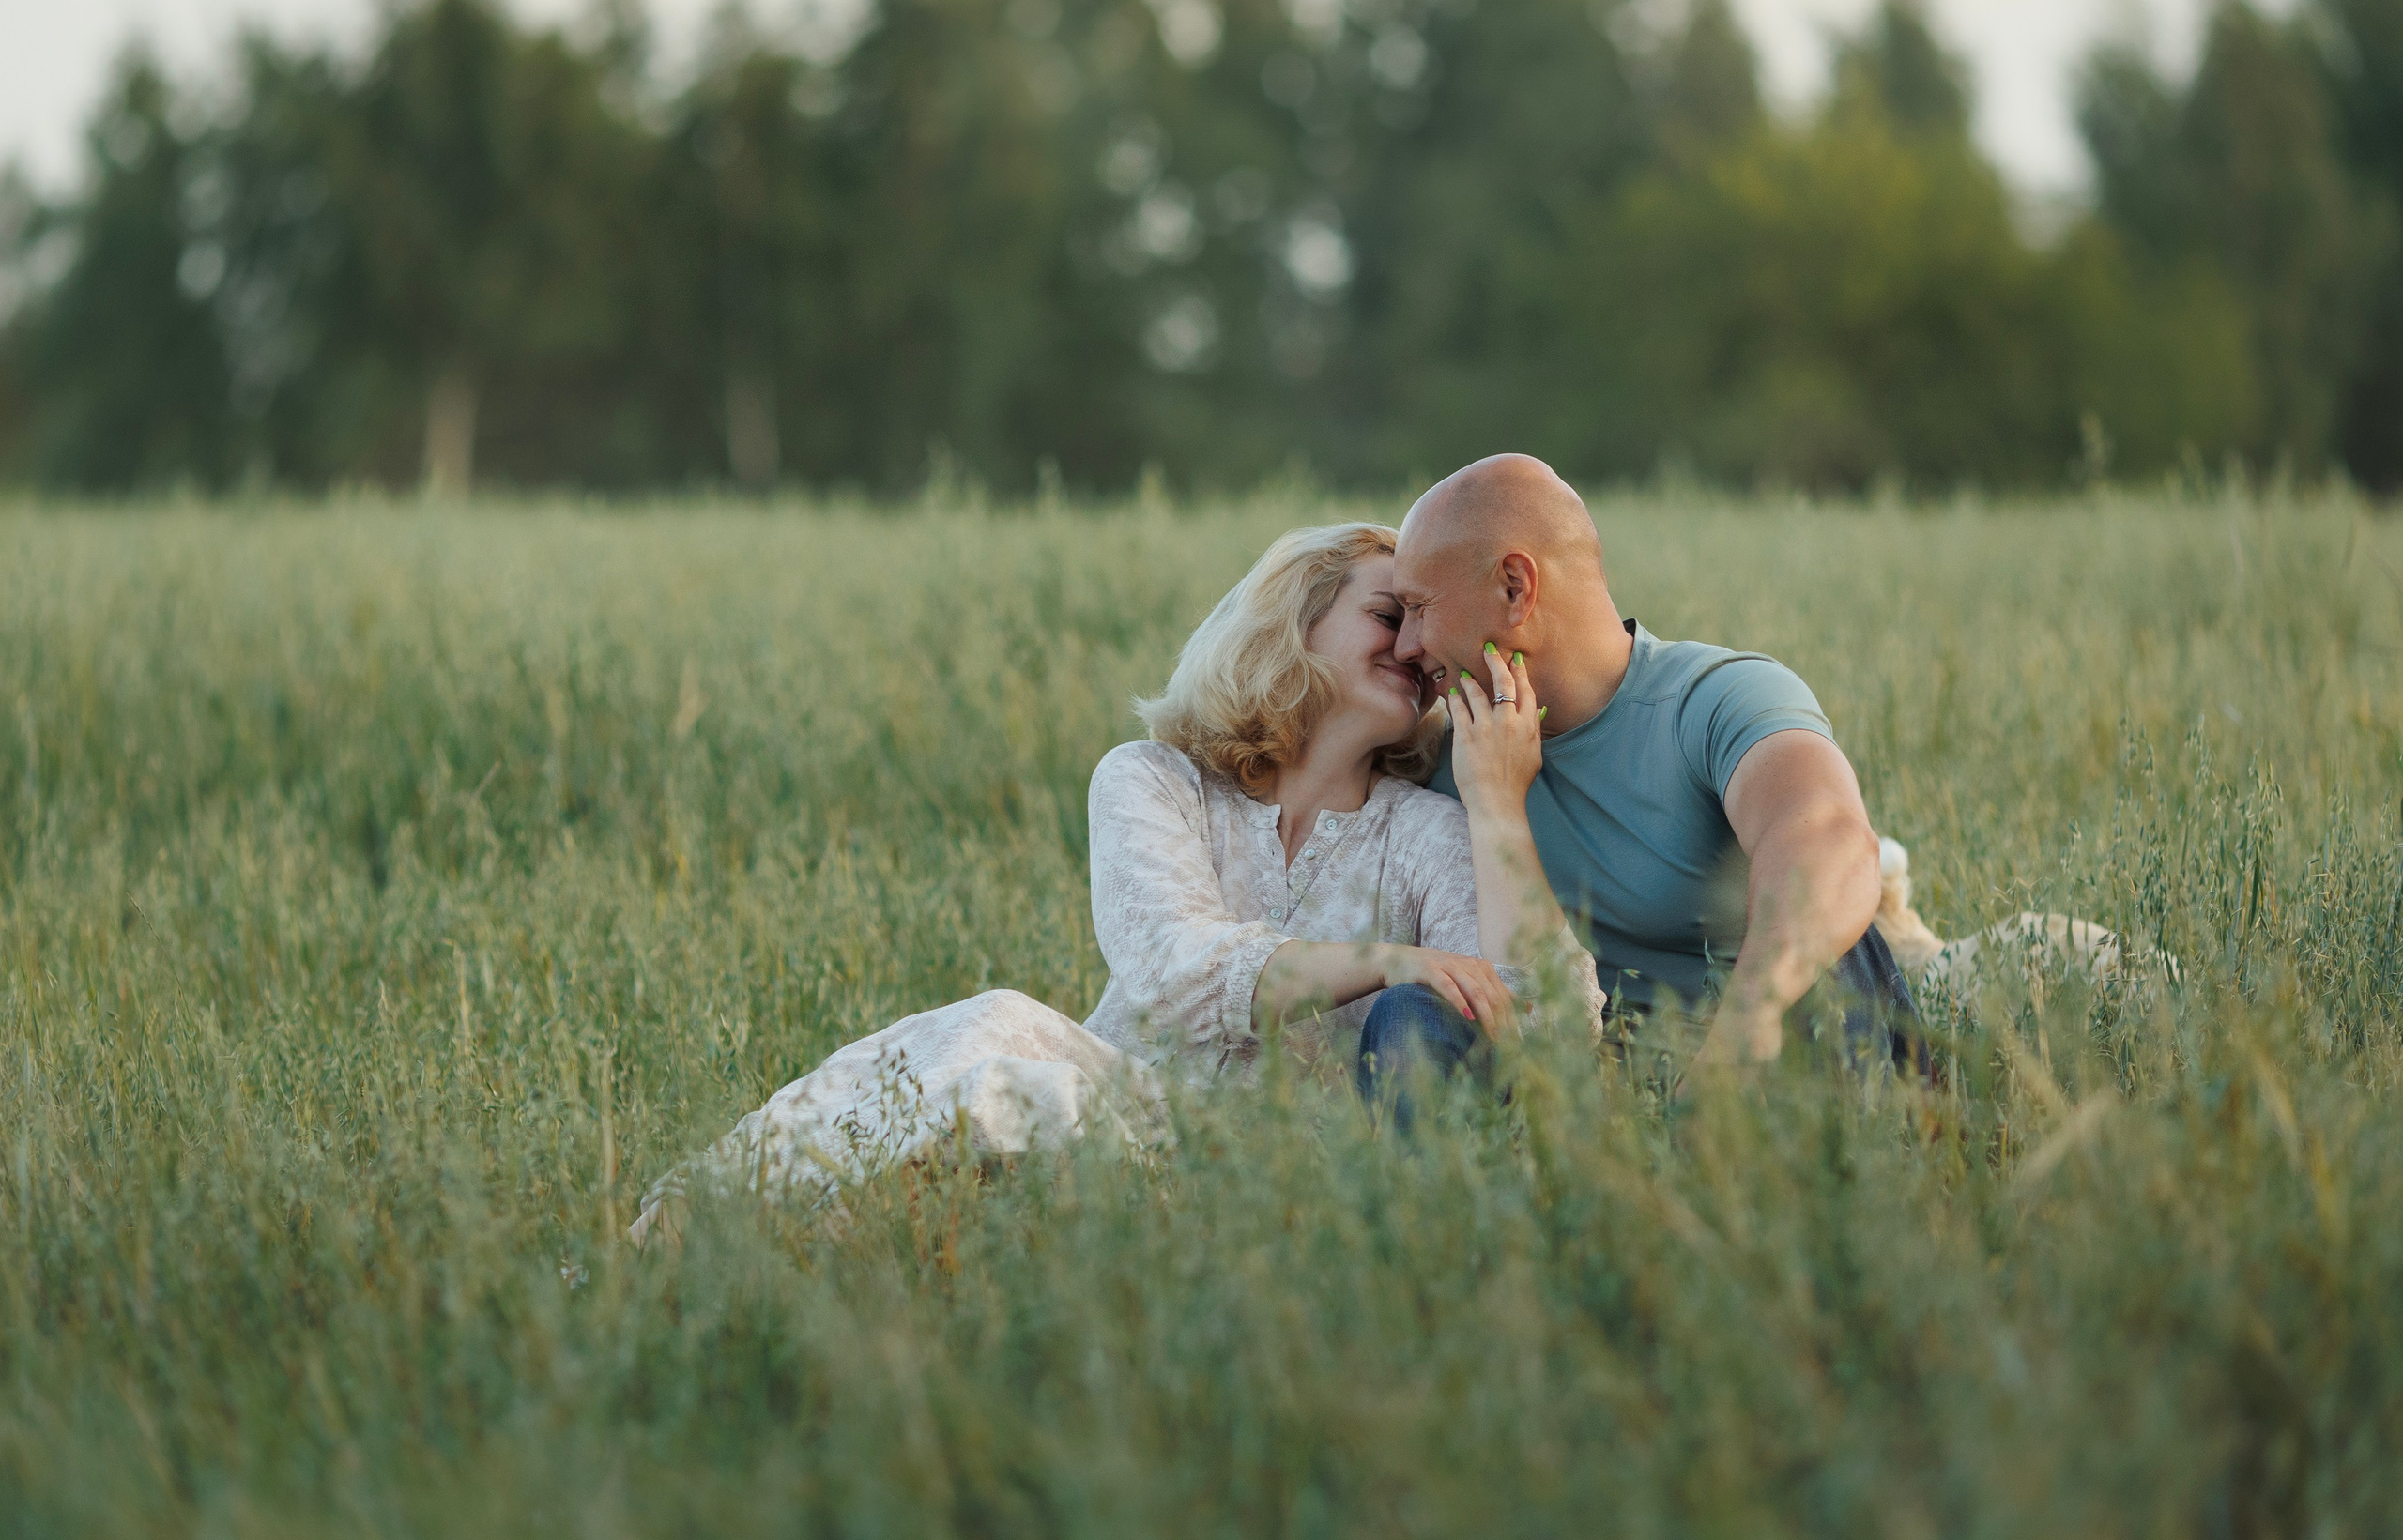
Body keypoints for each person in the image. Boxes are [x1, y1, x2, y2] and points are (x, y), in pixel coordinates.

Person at [628, 522, 1602, 1243]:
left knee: (1018, 1085)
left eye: (1423, 629)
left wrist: (1496, 804)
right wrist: (1389, 960)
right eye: (1389, 616)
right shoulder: (1155, 781)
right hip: (1122, 1112)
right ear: (1294, 623)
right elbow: (1172, 970)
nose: (1415, 649)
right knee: (1002, 1038)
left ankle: (797, 1235)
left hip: (1275, 1177)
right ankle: (707, 1221)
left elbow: (1553, 1024)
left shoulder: (1427, 833)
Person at [1359, 453, 1915, 1106]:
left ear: (1515, 588)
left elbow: (1830, 837)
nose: (1406, 645)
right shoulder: (1442, 759)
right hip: (1580, 1100)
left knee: (1833, 934)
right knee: (1410, 1012)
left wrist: (1738, 1043)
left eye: (1419, 608)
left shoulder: (1715, 698)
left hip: (1759, 1079)